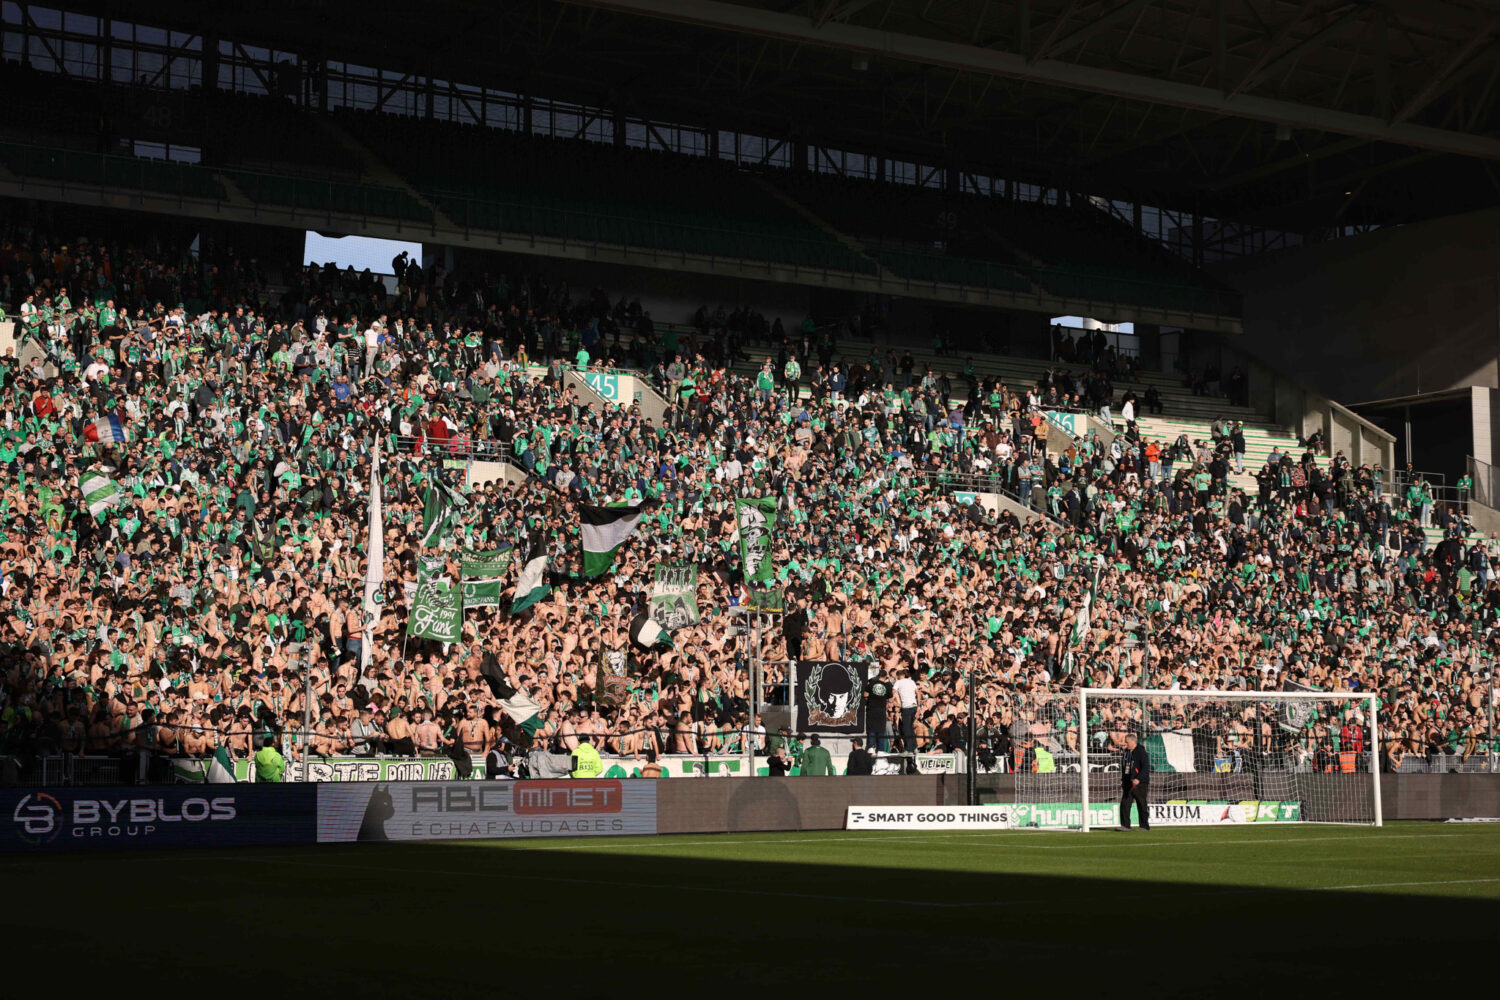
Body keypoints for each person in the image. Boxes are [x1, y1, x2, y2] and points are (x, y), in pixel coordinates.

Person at [1117, 730, 1151, 831]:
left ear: (1133, 742)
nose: (1125, 744)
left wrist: (1139, 779)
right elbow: (1125, 767)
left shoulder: (1141, 751)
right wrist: (1123, 779)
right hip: (1128, 782)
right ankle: (1125, 825)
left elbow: (1145, 767)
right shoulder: (1127, 752)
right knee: (1125, 803)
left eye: (1127, 742)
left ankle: (1144, 825)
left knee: (1141, 804)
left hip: (1139, 783)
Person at [894, 668, 920, 768]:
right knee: (910, 727)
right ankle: (915, 747)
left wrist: (897, 703)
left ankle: (909, 749)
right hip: (913, 706)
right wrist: (918, 705)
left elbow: (893, 692)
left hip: (906, 707)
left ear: (900, 676)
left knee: (906, 728)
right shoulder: (911, 681)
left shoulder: (898, 682)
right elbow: (918, 693)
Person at [866, 667, 892, 752]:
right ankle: (881, 749)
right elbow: (890, 699)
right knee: (881, 729)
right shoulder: (887, 686)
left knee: (871, 728)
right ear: (885, 677)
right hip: (881, 709)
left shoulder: (872, 683)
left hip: (872, 708)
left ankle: (870, 747)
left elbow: (865, 694)